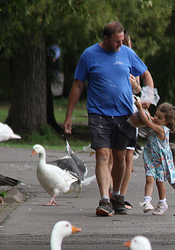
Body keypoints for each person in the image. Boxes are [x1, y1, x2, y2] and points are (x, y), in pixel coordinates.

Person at [63, 21, 154, 216]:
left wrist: (147, 98)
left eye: (122, 41)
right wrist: (68, 116)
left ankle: (117, 196)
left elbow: (145, 74)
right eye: (116, 42)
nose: (120, 45)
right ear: (105, 39)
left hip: (124, 114)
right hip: (99, 114)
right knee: (103, 155)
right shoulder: (89, 55)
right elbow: (78, 85)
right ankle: (104, 200)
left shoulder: (127, 53)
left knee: (120, 157)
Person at [134, 99, 175, 215]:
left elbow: (147, 121)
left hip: (160, 160)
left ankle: (162, 202)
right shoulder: (157, 123)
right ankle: (147, 201)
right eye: (156, 115)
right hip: (150, 157)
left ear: (166, 122)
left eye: (159, 118)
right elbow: (148, 118)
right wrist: (145, 110)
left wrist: (140, 107)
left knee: (159, 182)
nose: (155, 118)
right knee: (149, 178)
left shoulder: (161, 129)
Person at [119, 30, 142, 210]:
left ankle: (122, 196)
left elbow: (138, 89)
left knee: (128, 158)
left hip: (129, 114)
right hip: (112, 112)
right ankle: (112, 193)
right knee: (111, 156)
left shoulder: (133, 62)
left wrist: (133, 82)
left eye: (126, 44)